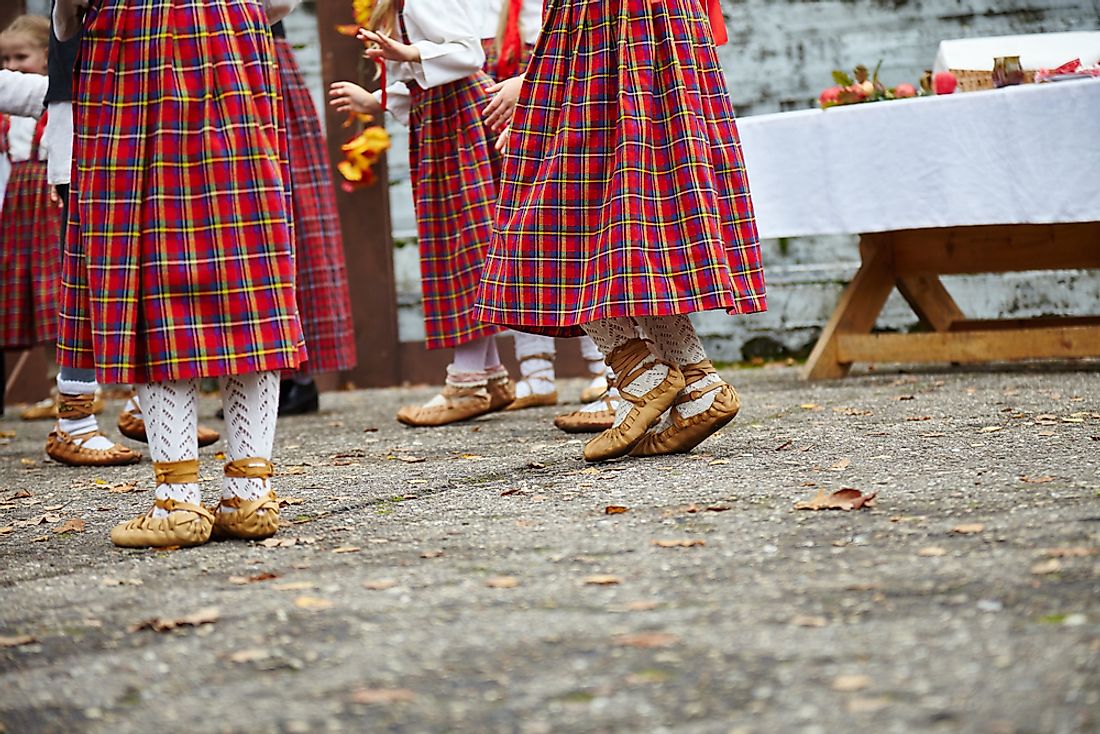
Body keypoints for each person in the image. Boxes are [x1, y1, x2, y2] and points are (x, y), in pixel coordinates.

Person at [54, 0, 304, 547]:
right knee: (248, 270)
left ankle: (177, 502)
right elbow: (278, 3)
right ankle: (250, 494)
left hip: (132, 50)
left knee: (150, 270)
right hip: (234, 47)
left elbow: (69, 13)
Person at [475, 0, 767, 462]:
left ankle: (640, 371)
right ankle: (695, 380)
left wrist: (537, 85)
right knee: (633, 213)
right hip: (645, 26)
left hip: (603, 22)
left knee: (566, 204)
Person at [330, 0, 516, 428]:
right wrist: (377, 98)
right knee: (458, 240)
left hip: (460, 118)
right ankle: (488, 375)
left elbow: (469, 54)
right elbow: (423, 79)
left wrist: (409, 54)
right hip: (442, 117)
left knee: (467, 242)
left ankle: (467, 381)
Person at [477, 0, 611, 413]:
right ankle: (535, 375)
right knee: (524, 237)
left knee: (579, 234)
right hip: (513, 87)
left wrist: (532, 80)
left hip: (561, 84)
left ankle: (607, 370)